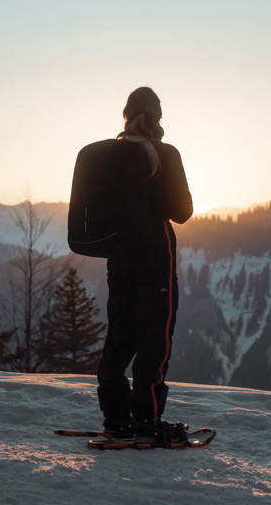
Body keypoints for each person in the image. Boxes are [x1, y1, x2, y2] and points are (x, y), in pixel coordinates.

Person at [96, 86, 193, 443]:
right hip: (156, 256)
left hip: (118, 257)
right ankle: (147, 419)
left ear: (125, 115)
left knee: (119, 332)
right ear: (159, 118)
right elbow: (182, 212)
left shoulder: (108, 155)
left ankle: (115, 416)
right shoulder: (166, 154)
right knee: (155, 336)